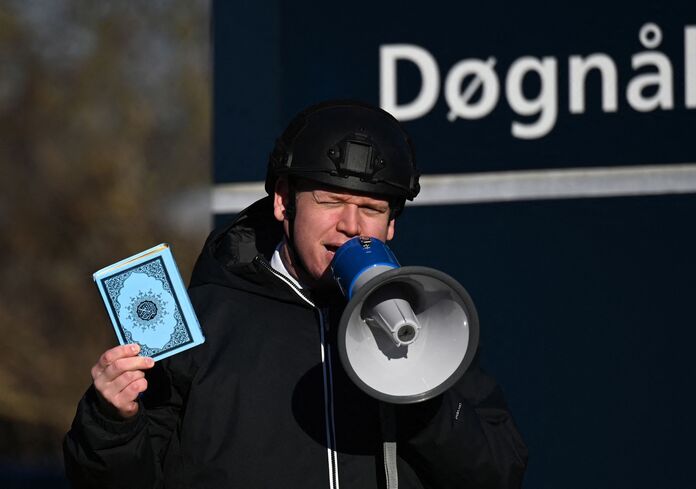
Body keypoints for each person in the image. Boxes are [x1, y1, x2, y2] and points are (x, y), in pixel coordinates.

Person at [63, 100, 528, 488]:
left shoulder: (427, 317)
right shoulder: (199, 322)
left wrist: (421, 393)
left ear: (391, 224)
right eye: (329, 200)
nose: (350, 225)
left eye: (371, 208)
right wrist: (112, 422)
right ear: (284, 202)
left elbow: (498, 473)